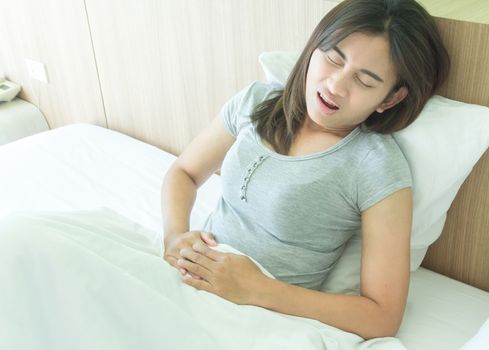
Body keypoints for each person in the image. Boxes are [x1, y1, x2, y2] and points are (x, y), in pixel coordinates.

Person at [161, 0, 449, 340]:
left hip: (252, 319)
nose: (336, 86)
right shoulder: (257, 101)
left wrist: (258, 289)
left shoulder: (376, 167)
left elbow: (382, 316)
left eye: (365, 81)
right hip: (183, 277)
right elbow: (184, 172)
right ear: (314, 47)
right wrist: (175, 236)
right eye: (333, 59)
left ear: (390, 99)